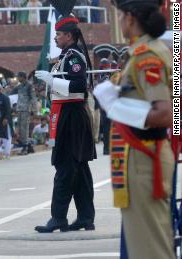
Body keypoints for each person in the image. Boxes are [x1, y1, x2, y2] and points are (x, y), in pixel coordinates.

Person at [93, 1, 173, 258]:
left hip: (144, 158)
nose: (118, 21)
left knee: (150, 246)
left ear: (129, 18)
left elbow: (165, 113)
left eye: (120, 16)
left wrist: (115, 107)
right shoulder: (140, 52)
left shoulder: (147, 56)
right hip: (139, 157)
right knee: (143, 242)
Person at [34, 0, 96, 233]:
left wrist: (53, 81)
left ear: (69, 36)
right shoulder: (66, 55)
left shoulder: (73, 56)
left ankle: (58, 217)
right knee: (78, 169)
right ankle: (85, 217)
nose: (55, 38)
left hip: (72, 117)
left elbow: (80, 85)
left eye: (58, 34)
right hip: (66, 115)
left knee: (65, 168)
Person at [10, 71, 35, 155]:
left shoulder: (29, 86)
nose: (17, 78)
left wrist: (33, 110)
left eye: (18, 77)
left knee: (24, 128)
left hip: (26, 109)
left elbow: (33, 98)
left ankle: (25, 148)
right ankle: (28, 146)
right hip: (19, 109)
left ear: (23, 77)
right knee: (20, 129)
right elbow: (10, 93)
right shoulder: (19, 86)